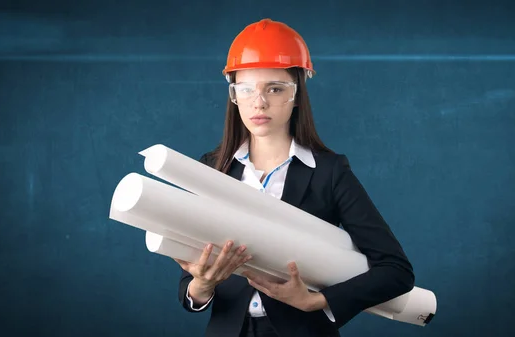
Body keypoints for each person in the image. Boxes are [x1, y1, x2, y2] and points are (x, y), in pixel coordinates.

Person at [174, 18, 415, 337]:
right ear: (233, 95)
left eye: (274, 88)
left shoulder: (329, 172)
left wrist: (318, 301)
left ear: (298, 94)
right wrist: (200, 287)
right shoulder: (212, 169)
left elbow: (396, 271)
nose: (258, 102)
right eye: (246, 89)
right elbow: (191, 285)